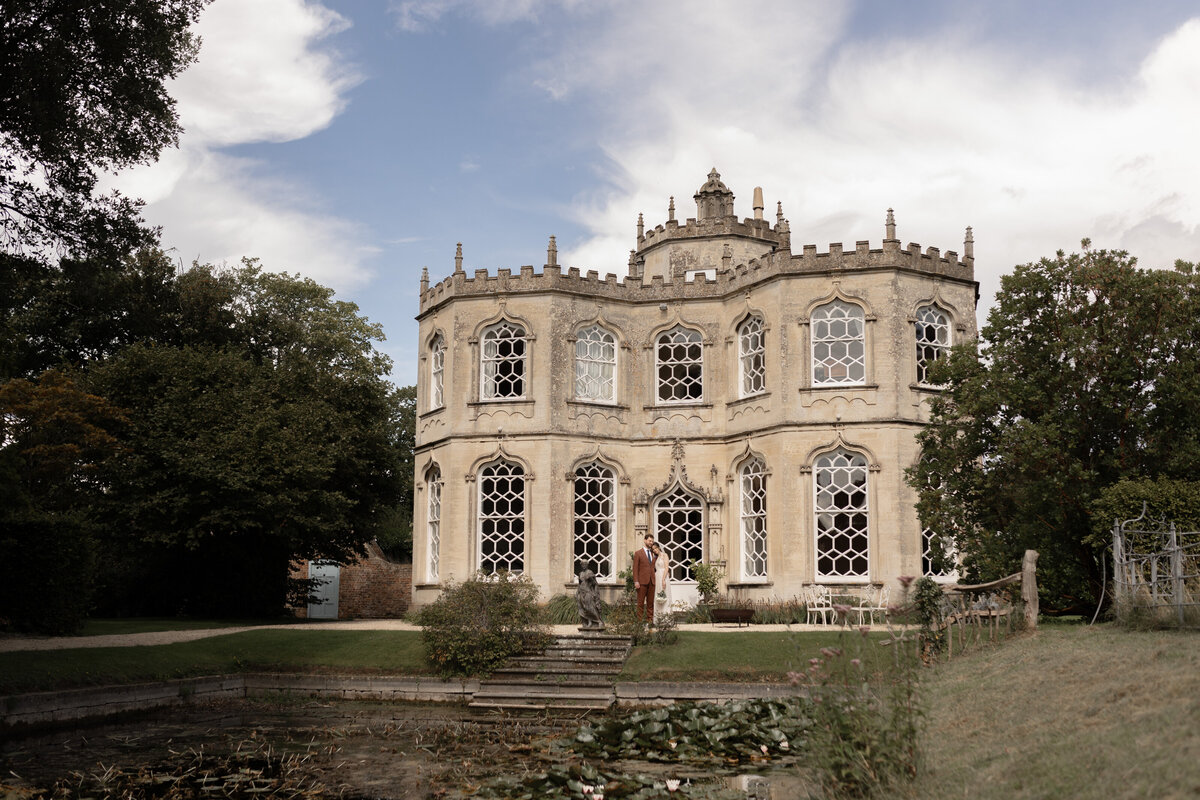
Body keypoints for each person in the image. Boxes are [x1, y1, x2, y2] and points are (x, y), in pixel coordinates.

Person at [632, 533, 657, 622]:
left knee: (650, 603)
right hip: (641, 582)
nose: (651, 543)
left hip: (652, 581)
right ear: (645, 540)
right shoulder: (638, 553)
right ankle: (639, 622)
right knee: (640, 603)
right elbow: (635, 568)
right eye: (650, 541)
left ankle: (649, 621)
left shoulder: (653, 553)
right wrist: (636, 581)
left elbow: (655, 566)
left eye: (652, 541)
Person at [652, 543, 673, 623]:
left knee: (665, 596)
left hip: (663, 576)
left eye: (656, 548)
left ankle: (666, 619)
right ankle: (658, 618)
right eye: (653, 549)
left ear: (659, 547)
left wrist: (663, 580)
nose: (655, 550)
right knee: (658, 597)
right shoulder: (655, 557)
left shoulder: (665, 555)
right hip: (657, 577)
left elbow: (666, 567)